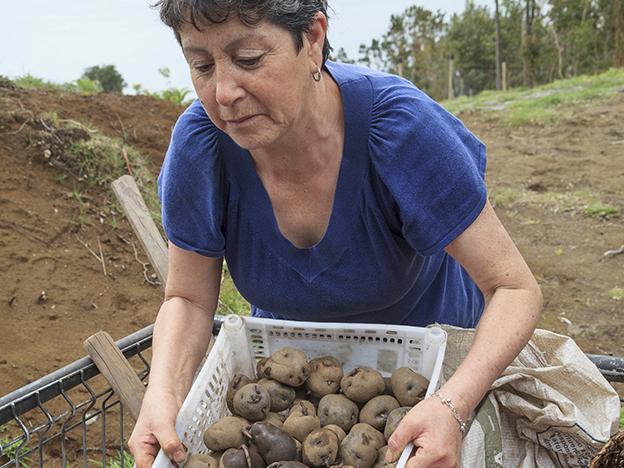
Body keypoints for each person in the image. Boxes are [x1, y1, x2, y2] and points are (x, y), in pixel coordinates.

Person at [128, 1, 543, 467]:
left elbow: (513, 288)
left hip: (432, 367)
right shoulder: (201, 147)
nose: (223, 92)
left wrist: (451, 404)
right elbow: (187, 298)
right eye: (201, 65)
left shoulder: (400, 129)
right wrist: (161, 396)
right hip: (298, 372)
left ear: (312, 39)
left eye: (248, 60)